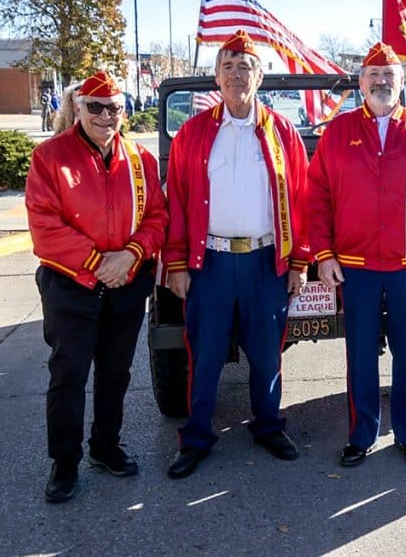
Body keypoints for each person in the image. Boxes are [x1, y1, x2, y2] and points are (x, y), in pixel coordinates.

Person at [306, 42, 406, 468]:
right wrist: (323, 254)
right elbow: (317, 196)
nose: (381, 82)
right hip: (355, 268)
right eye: (373, 75)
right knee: (360, 355)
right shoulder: (338, 132)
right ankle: (362, 435)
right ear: (361, 84)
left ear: (402, 82)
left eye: (389, 75)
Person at [162, 29, 310, 479]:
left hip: (265, 263)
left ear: (259, 76)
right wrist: (176, 263)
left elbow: (302, 198)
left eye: (244, 66)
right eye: (227, 66)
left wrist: (299, 261)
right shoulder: (192, 134)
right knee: (205, 354)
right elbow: (177, 201)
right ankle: (197, 437)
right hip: (211, 263)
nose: (235, 74)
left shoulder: (283, 132)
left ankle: (268, 426)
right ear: (216, 77)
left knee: (266, 353)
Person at [25, 71, 169, 503]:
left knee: (115, 372)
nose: (106, 116)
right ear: (78, 107)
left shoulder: (140, 160)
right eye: (96, 107)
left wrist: (130, 255)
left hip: (126, 282)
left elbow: (157, 217)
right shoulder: (50, 158)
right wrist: (97, 263)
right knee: (68, 375)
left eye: (115, 108)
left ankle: (105, 446)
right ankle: (64, 462)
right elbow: (45, 225)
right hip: (71, 285)